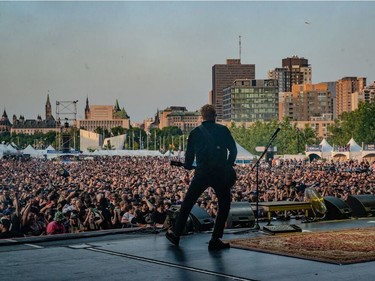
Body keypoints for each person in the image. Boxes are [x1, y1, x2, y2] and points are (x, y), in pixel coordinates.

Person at [166, 104, 237, 250]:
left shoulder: (195, 133)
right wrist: (227, 166)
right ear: (214, 116)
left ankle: (176, 233)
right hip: (220, 173)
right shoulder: (223, 130)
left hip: (202, 173)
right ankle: (215, 238)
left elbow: (189, 157)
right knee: (224, 205)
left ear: (202, 117)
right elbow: (233, 150)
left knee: (188, 203)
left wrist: (187, 165)